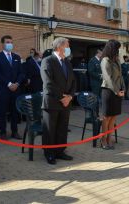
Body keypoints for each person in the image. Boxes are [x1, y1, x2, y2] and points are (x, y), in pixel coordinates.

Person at [40, 37, 76, 165]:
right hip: (53, 102)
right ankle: (49, 153)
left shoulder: (67, 62)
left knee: (62, 128)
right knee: (50, 129)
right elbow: (48, 83)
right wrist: (62, 97)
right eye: (67, 45)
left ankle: (60, 151)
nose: (68, 48)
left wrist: (70, 97)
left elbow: (73, 81)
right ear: (60, 47)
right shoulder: (47, 61)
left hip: (66, 102)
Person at [0, 35, 24, 140]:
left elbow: (21, 73)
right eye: (7, 42)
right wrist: (9, 84)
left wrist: (17, 84)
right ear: (2, 44)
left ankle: (14, 131)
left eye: (11, 42)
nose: (9, 44)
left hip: (16, 89)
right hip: (3, 89)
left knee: (14, 111)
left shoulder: (16, 57)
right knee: (2, 111)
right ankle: (2, 132)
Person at [100, 40, 125, 149]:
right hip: (109, 92)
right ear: (112, 48)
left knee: (113, 117)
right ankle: (103, 140)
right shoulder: (105, 60)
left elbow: (121, 76)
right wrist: (116, 91)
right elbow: (108, 78)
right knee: (106, 118)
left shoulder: (117, 60)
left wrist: (123, 88)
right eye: (117, 48)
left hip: (118, 92)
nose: (118, 51)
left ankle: (110, 138)